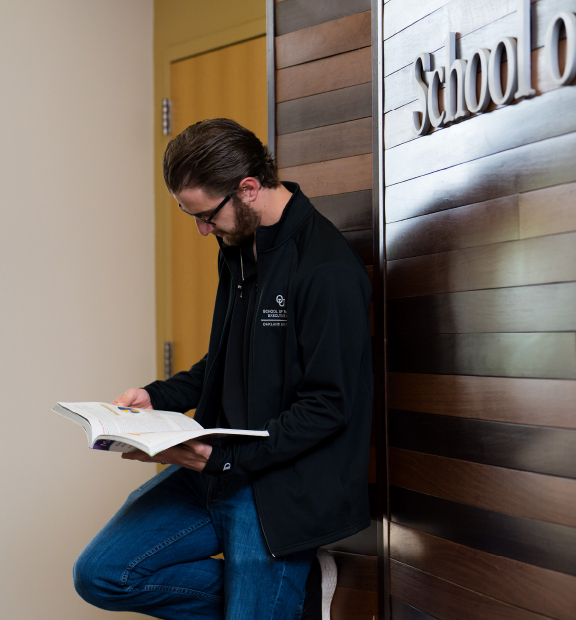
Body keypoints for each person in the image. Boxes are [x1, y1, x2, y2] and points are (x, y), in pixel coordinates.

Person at [72, 118, 373, 620]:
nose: (202, 229)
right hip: (217, 471)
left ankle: (284, 595)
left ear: (248, 188)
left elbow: (328, 407)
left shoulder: (326, 270)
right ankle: (294, 597)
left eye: (207, 215)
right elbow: (227, 359)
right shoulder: (237, 249)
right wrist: (158, 396)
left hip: (280, 486)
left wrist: (224, 460)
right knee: (102, 574)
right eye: (191, 215)